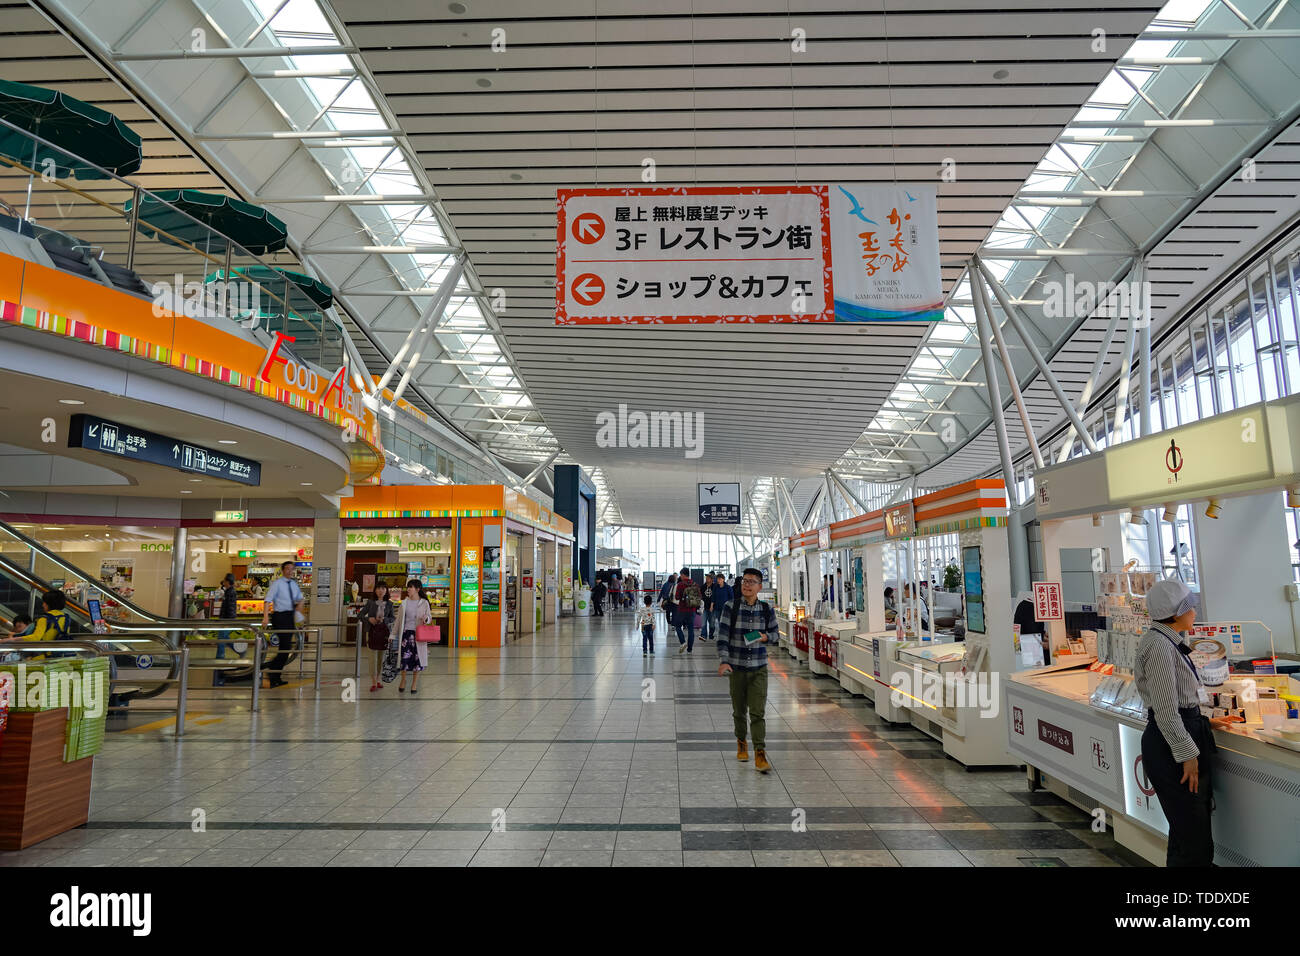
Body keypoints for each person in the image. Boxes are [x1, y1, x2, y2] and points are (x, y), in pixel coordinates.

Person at [1135, 578, 1230, 867]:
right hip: (1171, 747)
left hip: (1179, 735)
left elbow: (1178, 702)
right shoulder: (1161, 646)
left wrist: (1206, 722)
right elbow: (1165, 710)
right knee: (1194, 838)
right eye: (1190, 607)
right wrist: (1188, 755)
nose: (1195, 613)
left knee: (1185, 832)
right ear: (1176, 613)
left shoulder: (1165, 640)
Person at [717, 567, 780, 773]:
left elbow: (775, 635)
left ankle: (760, 753)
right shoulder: (731, 607)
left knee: (757, 712)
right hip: (736, 668)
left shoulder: (765, 609)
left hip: (758, 668)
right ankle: (741, 742)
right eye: (745, 581)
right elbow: (723, 637)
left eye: (752, 581)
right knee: (739, 710)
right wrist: (724, 661)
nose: (747, 584)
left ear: (760, 587)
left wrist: (764, 637)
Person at [260, 561, 303, 689]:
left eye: (292, 569)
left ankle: (275, 675)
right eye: (287, 569)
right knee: (285, 647)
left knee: (286, 648)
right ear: (283, 570)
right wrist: (265, 617)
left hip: (289, 617)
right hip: (280, 616)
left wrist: (299, 617)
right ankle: (272, 671)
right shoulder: (277, 584)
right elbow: (267, 600)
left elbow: (299, 600)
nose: (290, 571)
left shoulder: (294, 584)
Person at [396, 579, 432, 694]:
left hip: (419, 635)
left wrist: (426, 619)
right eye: (408, 587)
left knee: (418, 660)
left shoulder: (424, 603)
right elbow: (399, 620)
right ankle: (403, 680)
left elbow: (429, 618)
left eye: (410, 587)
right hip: (406, 634)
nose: (408, 589)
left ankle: (414, 684)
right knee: (404, 659)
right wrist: (393, 635)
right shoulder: (404, 603)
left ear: (417, 589)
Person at [362, 581, 396, 693]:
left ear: (386, 590)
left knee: (381, 657)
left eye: (383, 588)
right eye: (378, 588)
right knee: (372, 657)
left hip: (384, 633)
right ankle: (373, 682)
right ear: (375, 590)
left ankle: (377, 680)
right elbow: (360, 615)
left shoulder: (390, 604)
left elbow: (392, 618)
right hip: (372, 631)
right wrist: (369, 619)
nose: (380, 591)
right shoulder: (370, 603)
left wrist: (385, 620)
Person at [673, 568, 702, 654]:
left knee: (677, 626)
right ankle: (689, 649)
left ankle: (683, 642)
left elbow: (677, 597)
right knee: (690, 629)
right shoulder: (695, 584)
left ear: (682, 574)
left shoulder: (681, 584)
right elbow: (699, 596)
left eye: (680, 575)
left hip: (682, 609)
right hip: (692, 609)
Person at [700, 574, 716, 642]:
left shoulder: (715, 587)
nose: (706, 579)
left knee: (712, 623)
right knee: (703, 622)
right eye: (706, 578)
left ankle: (711, 635)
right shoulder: (703, 586)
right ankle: (704, 636)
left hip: (712, 608)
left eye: (708, 578)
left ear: (712, 579)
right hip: (704, 607)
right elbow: (700, 596)